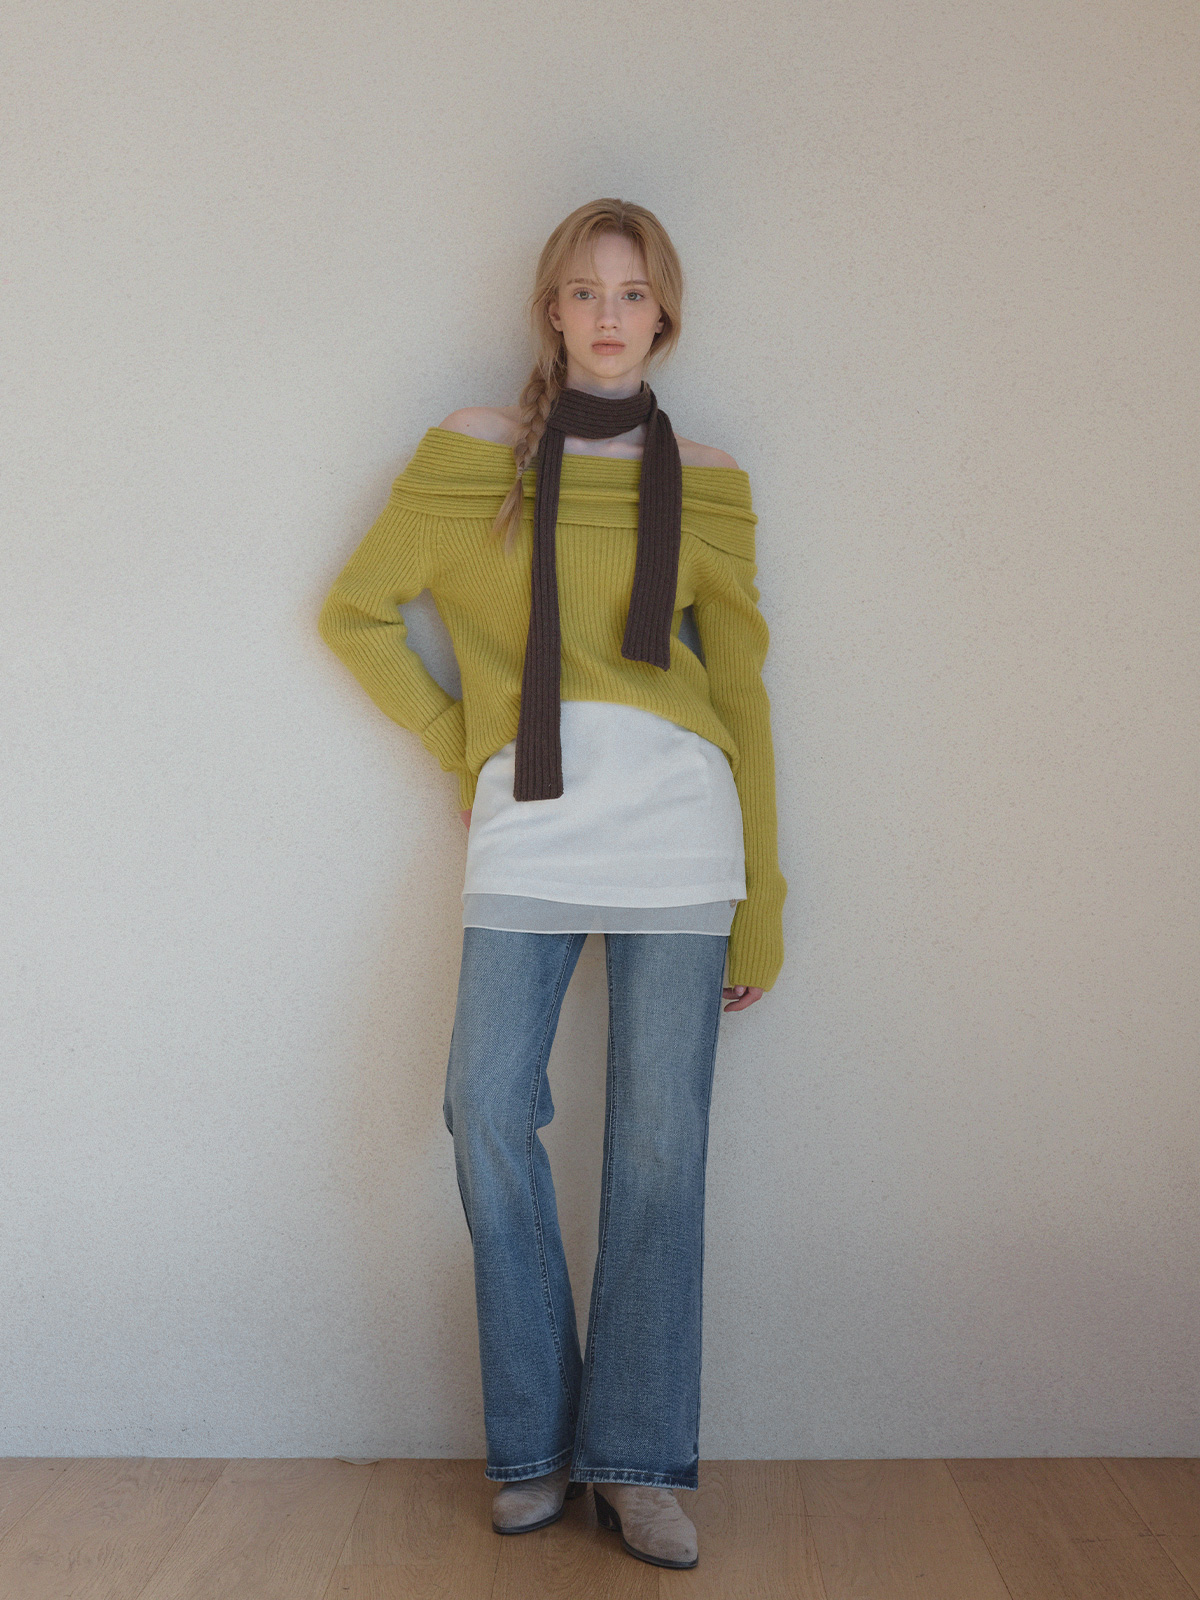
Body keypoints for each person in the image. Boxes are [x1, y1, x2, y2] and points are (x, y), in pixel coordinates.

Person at [318, 197, 787, 1570]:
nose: (607, 316)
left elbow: (744, 701)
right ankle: (535, 1442)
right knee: (483, 1107)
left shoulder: (711, 481)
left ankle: (638, 1464)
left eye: (631, 294)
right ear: (550, 311)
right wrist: (462, 738)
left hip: (681, 834)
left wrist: (763, 901)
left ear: (664, 313)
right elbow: (353, 611)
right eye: (584, 292)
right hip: (531, 825)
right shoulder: (474, 459)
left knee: (659, 1152)